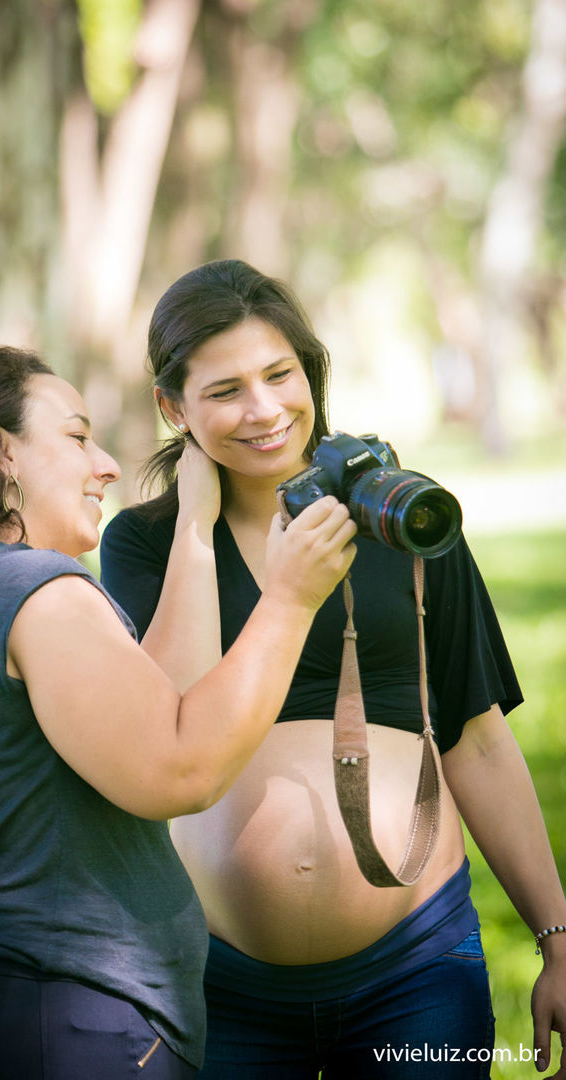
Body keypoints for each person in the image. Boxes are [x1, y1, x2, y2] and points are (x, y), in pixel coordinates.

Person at [100, 259, 566, 1079]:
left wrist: (557, 939)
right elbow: (167, 726)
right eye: (225, 390)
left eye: (280, 374)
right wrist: (197, 525)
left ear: (309, 371)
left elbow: (478, 738)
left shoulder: (407, 518)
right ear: (174, 407)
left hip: (416, 968)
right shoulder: (146, 543)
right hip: (222, 979)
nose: (264, 409)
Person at [0, 345, 359, 1080]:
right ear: (1, 451)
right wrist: (291, 598)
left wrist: (193, 526)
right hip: (60, 1026)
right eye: (78, 436)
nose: (109, 465)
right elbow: (180, 771)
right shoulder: (39, 590)